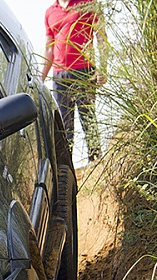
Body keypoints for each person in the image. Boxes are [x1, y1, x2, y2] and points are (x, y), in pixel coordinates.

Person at [41, 0, 106, 163]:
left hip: (84, 70)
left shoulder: (88, 3)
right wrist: (39, 78)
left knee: (88, 118)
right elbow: (49, 48)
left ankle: (96, 161)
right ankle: (66, 169)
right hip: (59, 75)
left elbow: (102, 38)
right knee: (64, 125)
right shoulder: (50, 12)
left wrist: (103, 68)